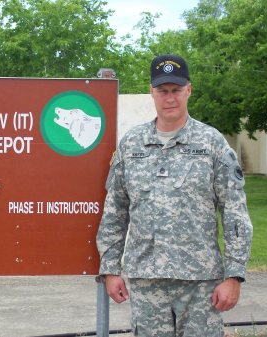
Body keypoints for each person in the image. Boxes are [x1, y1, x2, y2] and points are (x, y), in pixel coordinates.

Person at [96, 54, 253, 337]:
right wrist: (110, 269)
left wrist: (234, 275)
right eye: (163, 91)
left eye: (177, 90)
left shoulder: (212, 143)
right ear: (152, 92)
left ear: (189, 90)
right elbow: (115, 211)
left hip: (200, 282)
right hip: (146, 281)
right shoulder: (132, 144)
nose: (170, 98)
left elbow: (234, 212)